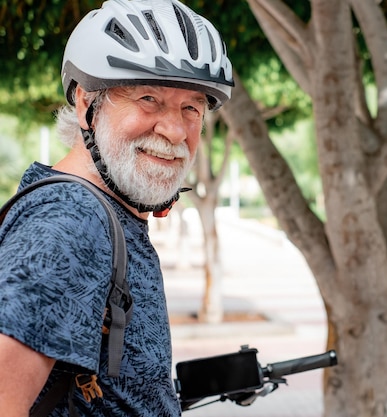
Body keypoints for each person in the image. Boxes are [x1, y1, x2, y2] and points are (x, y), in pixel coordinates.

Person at [0, 0, 233, 415]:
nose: (176, 130)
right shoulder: (71, 221)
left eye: (191, 107)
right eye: (148, 98)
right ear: (87, 105)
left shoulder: (103, 215)